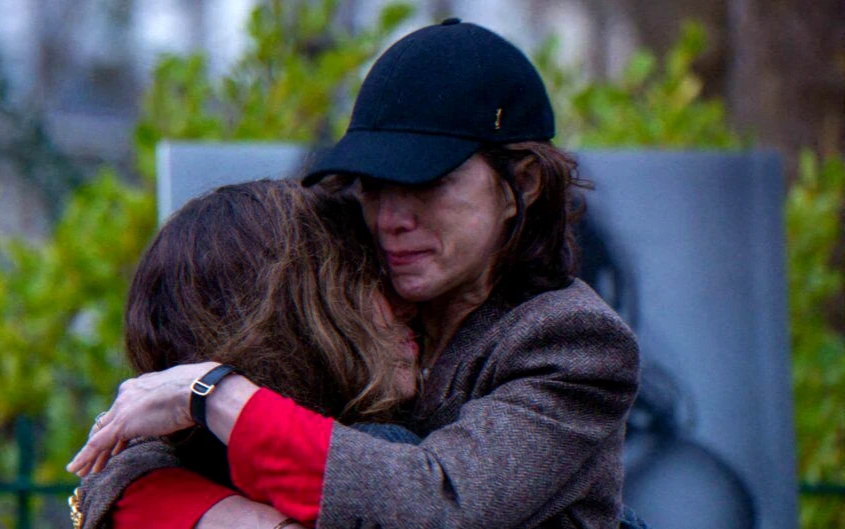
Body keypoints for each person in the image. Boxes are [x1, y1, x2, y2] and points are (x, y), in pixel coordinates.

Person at [70, 19, 641, 529]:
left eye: (427, 182)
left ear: (524, 184)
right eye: (374, 187)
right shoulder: (357, 300)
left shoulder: (571, 339)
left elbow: (440, 504)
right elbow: (117, 470)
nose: (391, 219)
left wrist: (211, 394)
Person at [69, 180, 425, 529]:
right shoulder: (378, 458)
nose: (406, 304)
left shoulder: (182, 467)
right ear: (302, 321)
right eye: (368, 282)